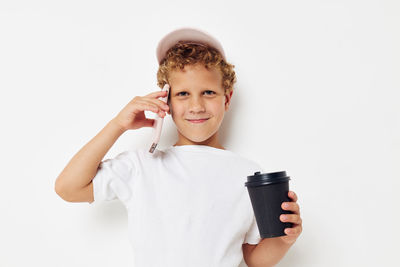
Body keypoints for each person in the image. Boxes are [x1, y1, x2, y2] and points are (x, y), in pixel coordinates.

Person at [55, 27, 302, 267]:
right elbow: (69, 188)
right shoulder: (141, 166)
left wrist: (283, 240)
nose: (196, 106)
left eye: (208, 92)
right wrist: (118, 125)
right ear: (166, 101)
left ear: (226, 98)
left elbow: (254, 258)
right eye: (183, 94)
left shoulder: (248, 174)